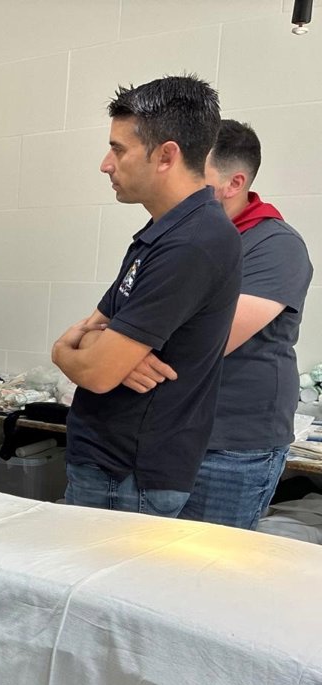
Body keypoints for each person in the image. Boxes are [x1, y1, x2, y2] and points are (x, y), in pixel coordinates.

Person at [51, 75, 242, 517]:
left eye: (118, 149)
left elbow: (97, 372)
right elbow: (96, 326)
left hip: (129, 474)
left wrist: (64, 350)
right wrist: (102, 345)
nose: (106, 164)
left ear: (166, 156)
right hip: (109, 463)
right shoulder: (162, 233)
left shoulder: (193, 243)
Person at [119, 121, 314, 529]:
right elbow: (119, 315)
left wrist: (118, 355)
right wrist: (116, 351)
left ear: (234, 183)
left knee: (207, 561)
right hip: (163, 432)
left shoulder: (274, 246)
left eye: (197, 174)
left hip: (230, 445)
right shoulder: (170, 236)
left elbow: (206, 342)